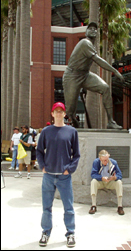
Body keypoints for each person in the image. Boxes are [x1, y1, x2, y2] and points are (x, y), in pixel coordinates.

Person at [62, 22, 124, 129]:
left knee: (105, 88)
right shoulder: (85, 43)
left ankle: (110, 121)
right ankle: (73, 120)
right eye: (90, 28)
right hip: (72, 75)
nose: (93, 30)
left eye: (95, 29)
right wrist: (115, 71)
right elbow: (98, 60)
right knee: (70, 110)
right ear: (86, 32)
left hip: (85, 75)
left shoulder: (91, 45)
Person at [36, 102, 80, 248]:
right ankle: (45, 232)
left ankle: (70, 233)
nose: (59, 113)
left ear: (64, 114)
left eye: (61, 111)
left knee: (68, 207)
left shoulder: (72, 131)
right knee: (46, 207)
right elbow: (39, 151)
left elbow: (77, 155)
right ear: (52, 114)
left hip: (64, 176)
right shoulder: (46, 131)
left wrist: (70, 169)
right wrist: (42, 166)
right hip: (48, 176)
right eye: (57, 111)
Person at [89, 149, 124, 215]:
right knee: (93, 182)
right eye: (104, 160)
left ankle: (120, 206)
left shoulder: (113, 162)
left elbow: (120, 174)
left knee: (119, 182)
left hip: (110, 182)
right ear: (100, 159)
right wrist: (101, 178)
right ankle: (93, 205)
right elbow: (93, 174)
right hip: (101, 181)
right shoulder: (96, 162)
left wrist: (115, 177)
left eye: (107, 159)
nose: (106, 162)